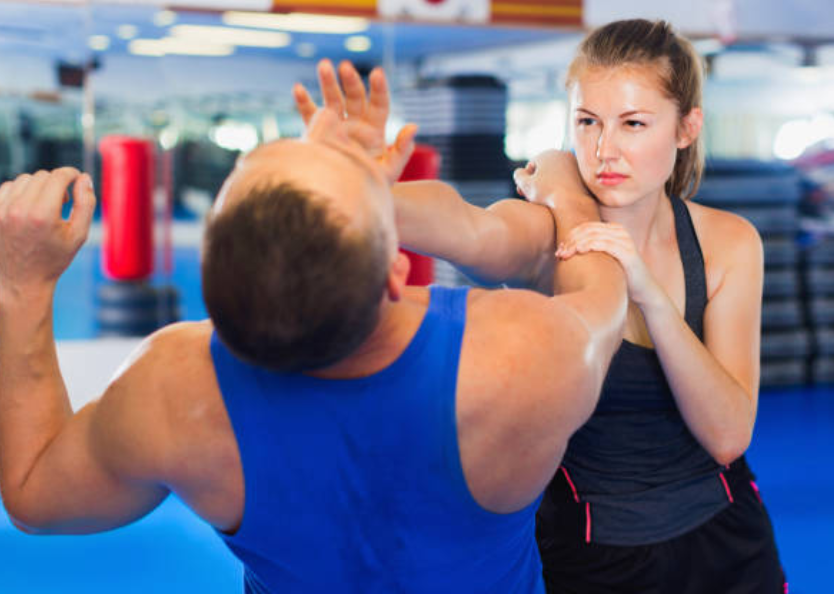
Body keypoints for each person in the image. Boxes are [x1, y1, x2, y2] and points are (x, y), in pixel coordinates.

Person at [0, 72, 628, 592]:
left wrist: (22, 284)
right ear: (394, 272)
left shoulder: (173, 389)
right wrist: (564, 193)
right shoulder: (527, 355)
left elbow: (32, 492)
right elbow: (602, 292)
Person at [307, 19, 784, 594]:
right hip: (590, 558)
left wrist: (648, 294)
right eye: (587, 122)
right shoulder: (544, 234)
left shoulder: (727, 244)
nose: (605, 150)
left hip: (726, 546)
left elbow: (729, 434)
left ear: (686, 128)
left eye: (634, 124)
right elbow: (469, 229)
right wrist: (361, 189)